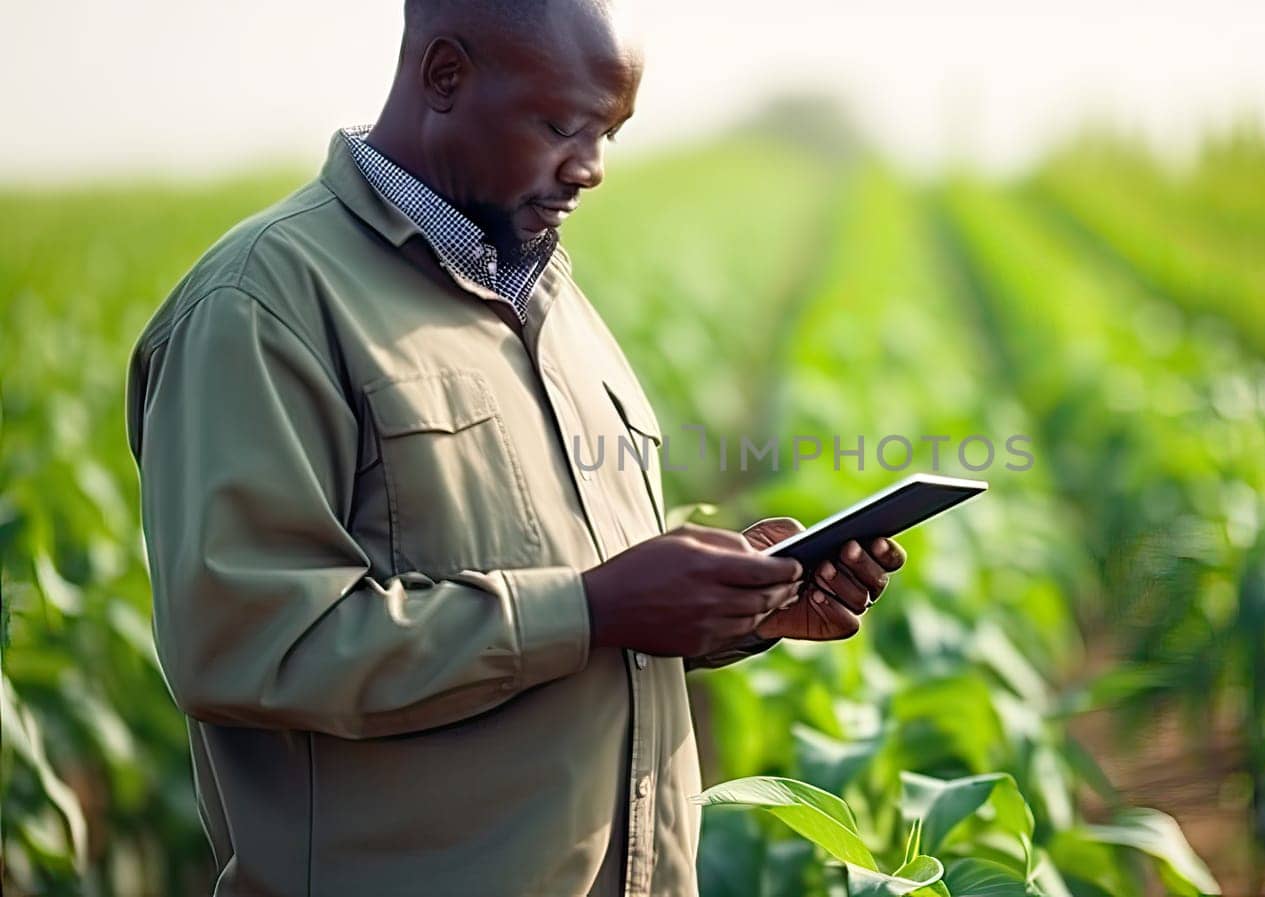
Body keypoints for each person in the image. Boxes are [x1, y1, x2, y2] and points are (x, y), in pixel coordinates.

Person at [124, 1, 905, 894]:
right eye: (562, 124)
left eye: (611, 131)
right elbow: (252, 643)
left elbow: (558, 574)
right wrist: (593, 609)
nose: (593, 167)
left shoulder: (547, 294)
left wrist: (735, 599)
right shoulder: (263, 305)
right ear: (447, 76)